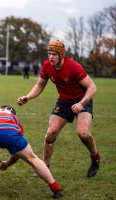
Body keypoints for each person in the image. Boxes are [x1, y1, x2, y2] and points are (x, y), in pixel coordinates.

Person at [17, 40, 100, 178]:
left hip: (83, 99)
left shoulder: (74, 66)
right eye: (49, 54)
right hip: (64, 101)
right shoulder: (47, 66)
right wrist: (28, 97)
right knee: (51, 133)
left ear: (61, 55)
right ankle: (45, 167)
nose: (51, 57)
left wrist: (81, 103)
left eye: (54, 54)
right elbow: (40, 85)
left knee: (83, 133)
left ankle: (95, 157)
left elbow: (92, 87)